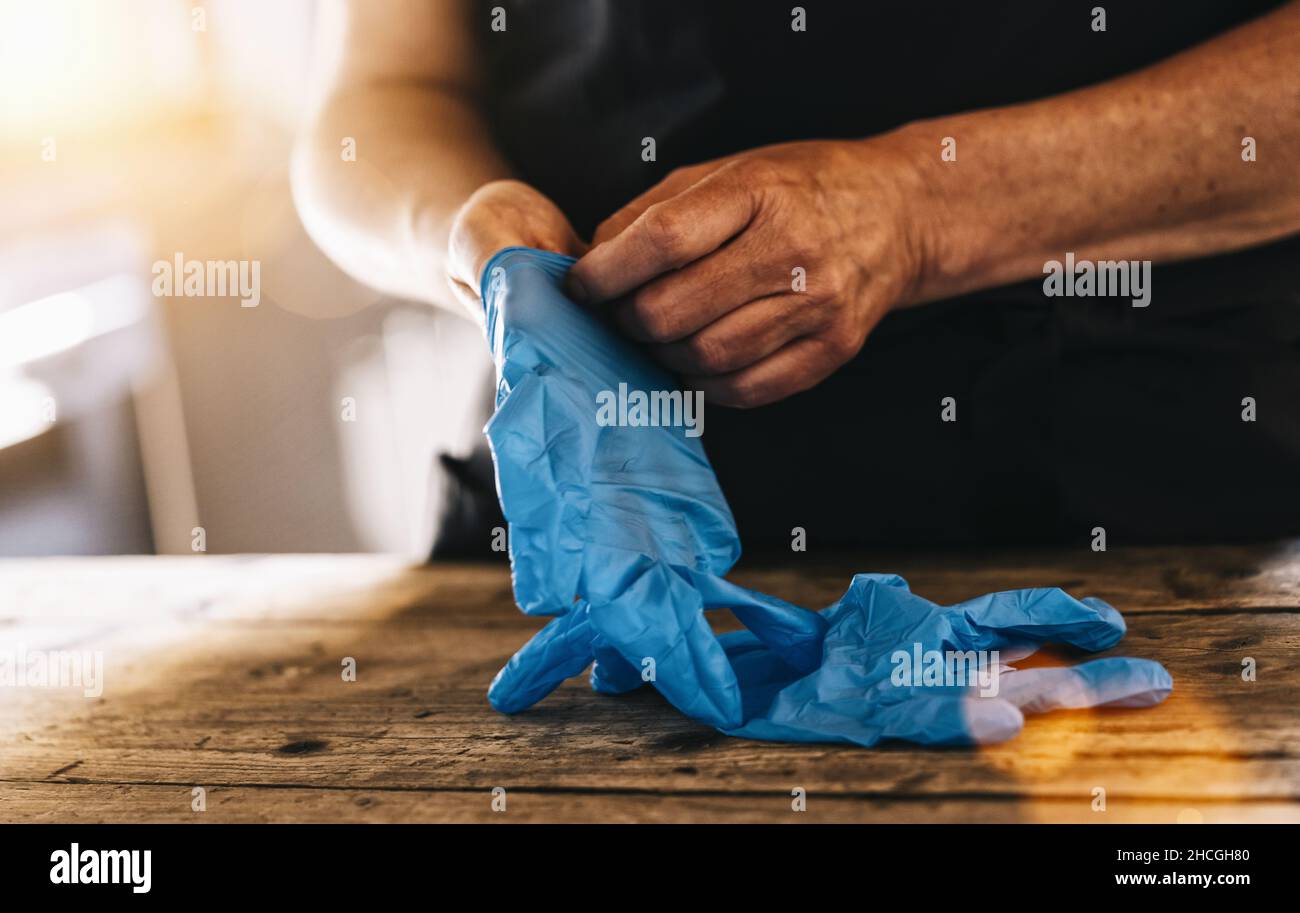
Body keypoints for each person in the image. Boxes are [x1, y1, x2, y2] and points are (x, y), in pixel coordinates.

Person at [293, 0, 1300, 549]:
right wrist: (476, 249)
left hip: (1157, 502)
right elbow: (380, 90)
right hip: (589, 512)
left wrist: (919, 210)